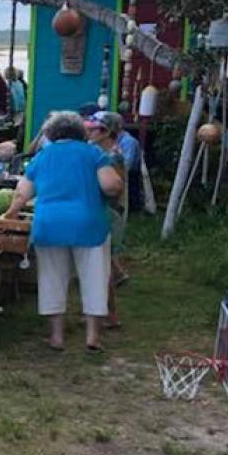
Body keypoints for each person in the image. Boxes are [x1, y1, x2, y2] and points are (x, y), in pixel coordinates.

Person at [3, 111, 122, 352]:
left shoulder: (42, 157)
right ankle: (92, 337)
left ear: (51, 134)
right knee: (95, 278)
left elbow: (22, 194)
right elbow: (110, 186)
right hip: (89, 224)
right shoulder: (94, 154)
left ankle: (56, 337)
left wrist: (10, 214)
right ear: (80, 132)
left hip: (50, 224)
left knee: (51, 278)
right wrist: (117, 189)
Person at [87, 112, 128, 329]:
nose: (89, 132)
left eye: (94, 129)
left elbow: (113, 189)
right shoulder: (104, 153)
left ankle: (109, 315)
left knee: (104, 268)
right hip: (105, 212)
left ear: (107, 132)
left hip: (110, 214)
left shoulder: (113, 156)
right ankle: (102, 312)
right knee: (104, 266)